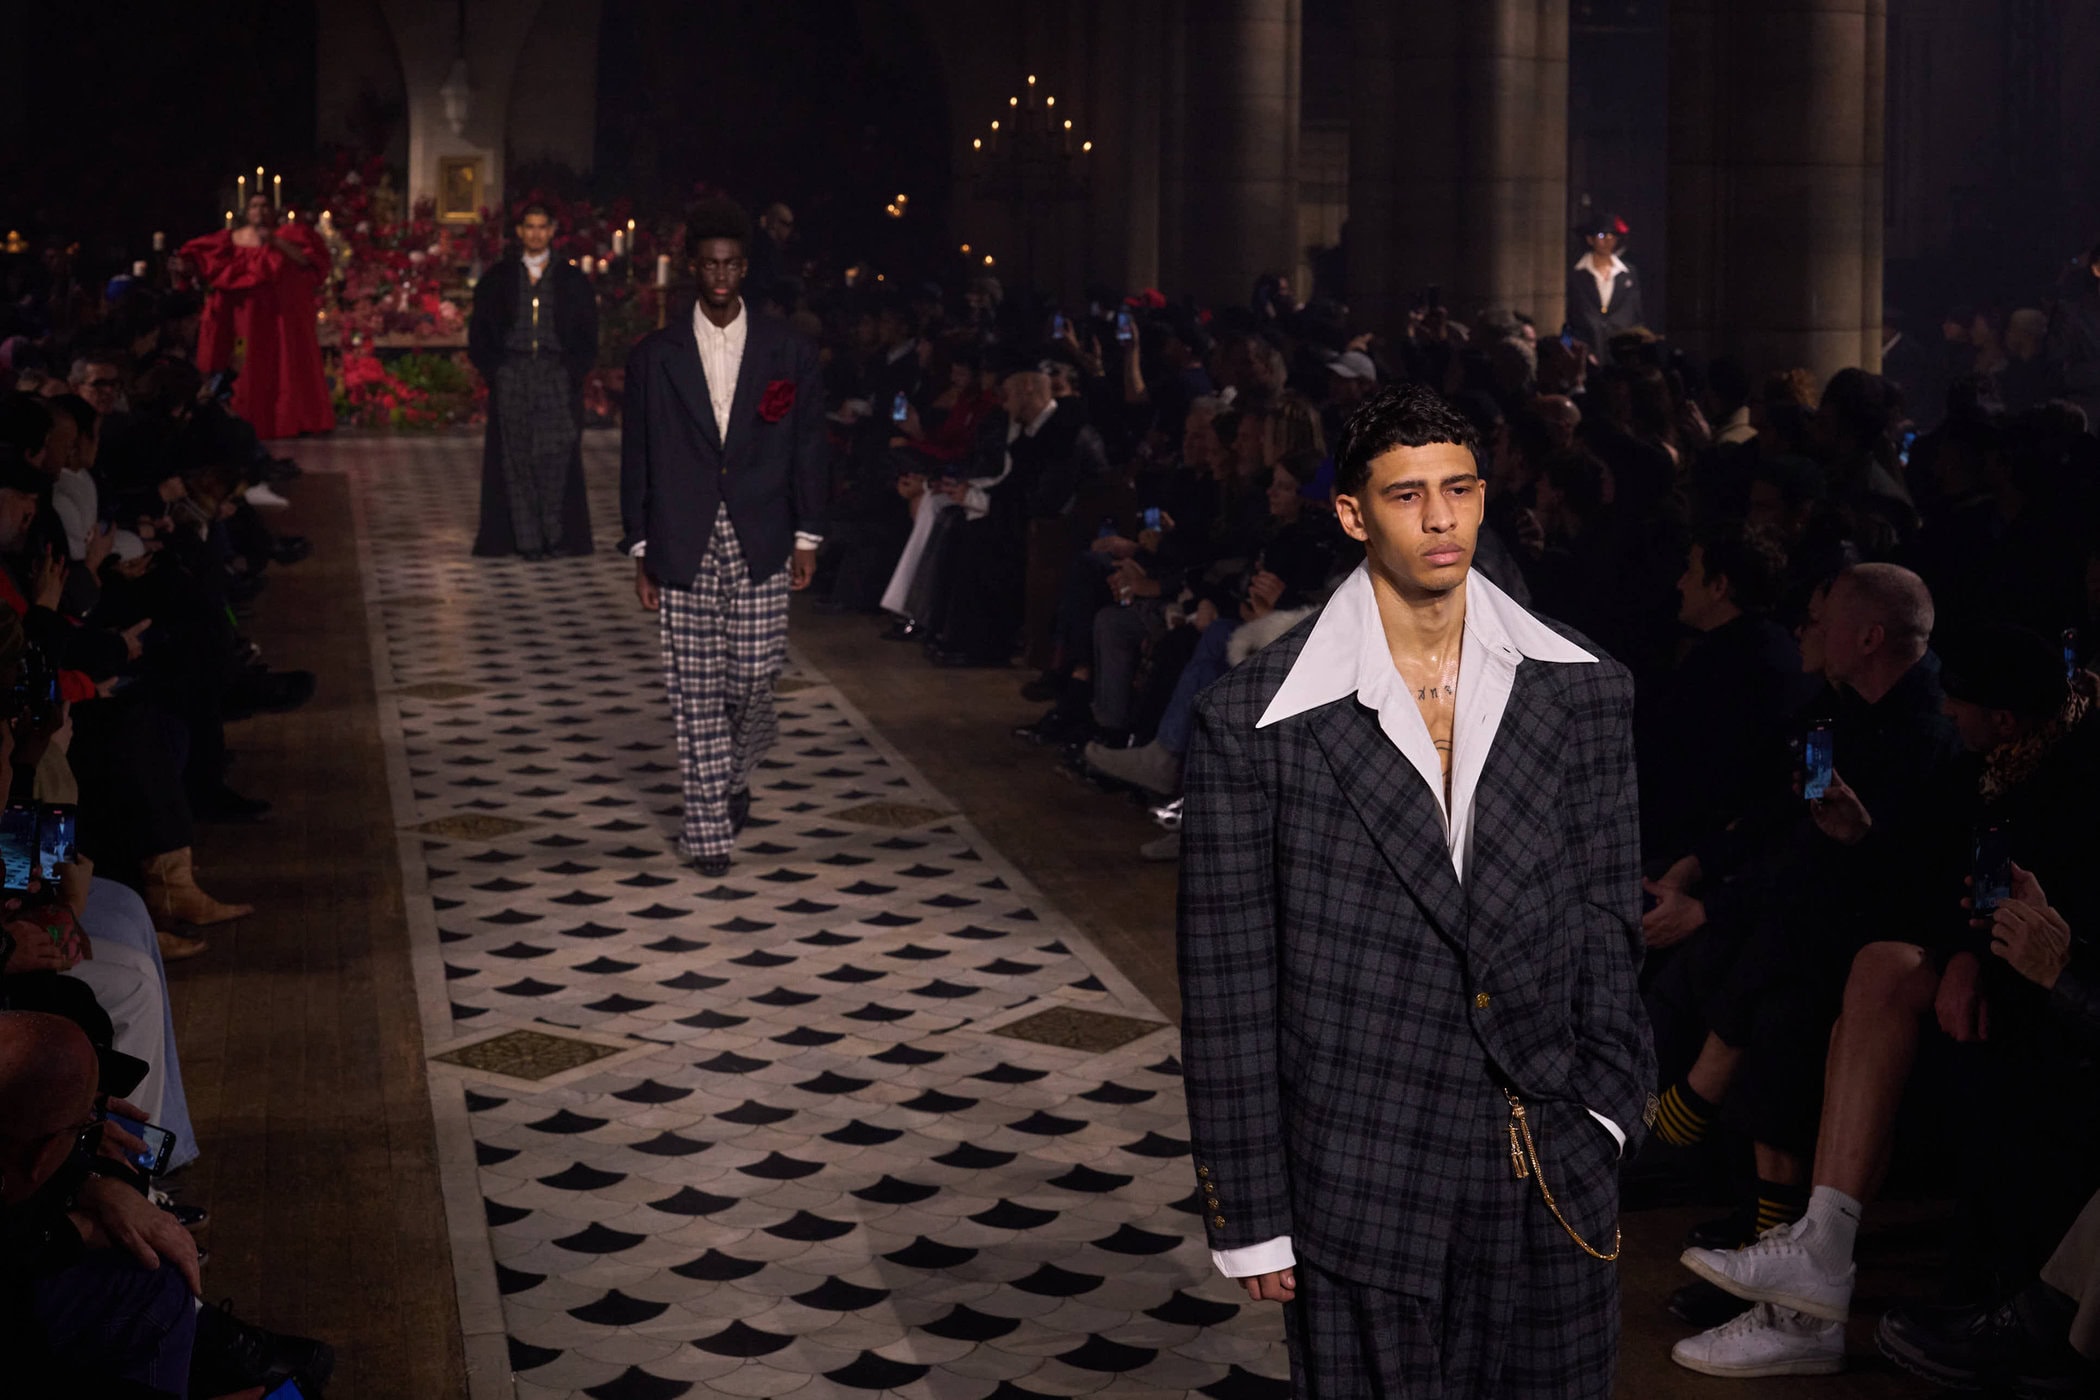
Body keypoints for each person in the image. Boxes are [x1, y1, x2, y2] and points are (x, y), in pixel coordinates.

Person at [1179, 381, 1655, 1398]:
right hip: (1360, 1176)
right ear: (1353, 514)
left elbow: (1609, 917)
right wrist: (1252, 1209)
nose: (1442, 518)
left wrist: (1608, 1111)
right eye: (1407, 495)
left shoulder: (1586, 688)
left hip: (1550, 1166)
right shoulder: (1253, 722)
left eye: (1461, 488)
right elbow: (1229, 984)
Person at [620, 198, 825, 877]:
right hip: (682, 536)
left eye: (731, 264)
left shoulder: (787, 349)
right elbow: (637, 455)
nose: (719, 275)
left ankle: (734, 775)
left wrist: (807, 535)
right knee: (695, 693)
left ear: (745, 268)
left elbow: (808, 445)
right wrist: (641, 549)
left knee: (754, 679)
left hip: (762, 533)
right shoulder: (655, 356)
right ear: (692, 267)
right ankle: (707, 832)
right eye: (709, 264)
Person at [468, 203, 598, 559]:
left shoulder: (571, 280)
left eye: (543, 227)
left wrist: (571, 372)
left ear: (552, 231)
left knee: (555, 453)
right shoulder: (499, 278)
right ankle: (527, 540)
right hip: (513, 372)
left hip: (555, 375)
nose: (536, 233)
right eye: (530, 226)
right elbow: (479, 332)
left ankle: (554, 534)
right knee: (516, 458)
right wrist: (497, 371)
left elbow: (588, 333)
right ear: (520, 231)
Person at [179, 193, 334, 440]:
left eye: (265, 206)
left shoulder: (287, 237)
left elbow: (308, 260)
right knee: (244, 362)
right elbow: (200, 262)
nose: (260, 211)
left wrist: (274, 241)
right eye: (254, 206)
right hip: (243, 321)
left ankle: (284, 420)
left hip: (277, 319)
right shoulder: (230, 240)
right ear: (247, 211)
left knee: (282, 365)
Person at [1566, 215, 1645, 360]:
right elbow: (1572, 314)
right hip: (1589, 349)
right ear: (1590, 240)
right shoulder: (1577, 273)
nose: (1608, 240)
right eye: (1602, 235)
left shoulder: (1628, 273)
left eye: (1612, 236)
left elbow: (1635, 310)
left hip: (1621, 349)